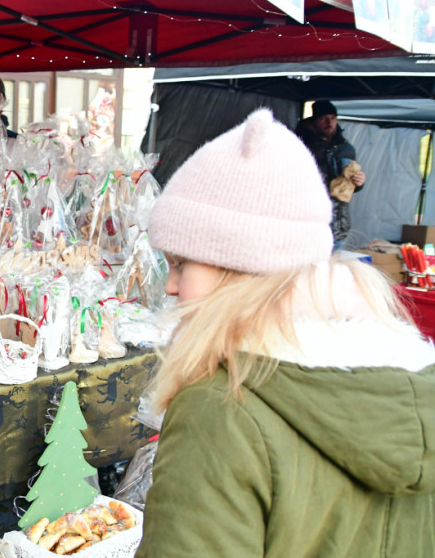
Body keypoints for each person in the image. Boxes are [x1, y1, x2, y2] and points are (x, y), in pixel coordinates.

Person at [136, 109, 435, 558]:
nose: (170, 286)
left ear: (241, 268)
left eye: (181, 264)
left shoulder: (221, 408)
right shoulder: (413, 394)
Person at [295, 100, 365, 248]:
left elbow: (350, 185)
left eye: (333, 118)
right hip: (307, 222)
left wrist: (359, 182)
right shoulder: (299, 144)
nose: (329, 122)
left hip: (338, 224)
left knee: (329, 269)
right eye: (323, 118)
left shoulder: (346, 148)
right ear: (314, 121)